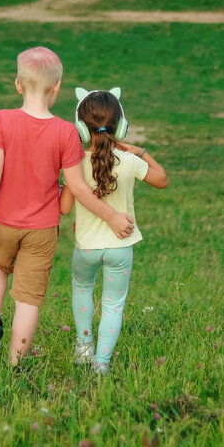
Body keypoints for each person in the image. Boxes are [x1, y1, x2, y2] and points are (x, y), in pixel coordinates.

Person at [0, 47, 136, 366]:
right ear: (57, 87)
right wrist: (112, 216)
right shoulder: (64, 132)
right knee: (28, 300)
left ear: (18, 84)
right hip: (42, 230)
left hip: (3, 220)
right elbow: (77, 187)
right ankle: (14, 364)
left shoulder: (1, 120)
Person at [60, 88, 167, 375]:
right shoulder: (130, 161)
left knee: (82, 290)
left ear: (81, 128)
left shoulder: (75, 164)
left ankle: (84, 347)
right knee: (113, 305)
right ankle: (102, 364)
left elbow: (64, 208)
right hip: (121, 248)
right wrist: (141, 151)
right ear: (121, 126)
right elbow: (162, 180)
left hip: (87, 249)